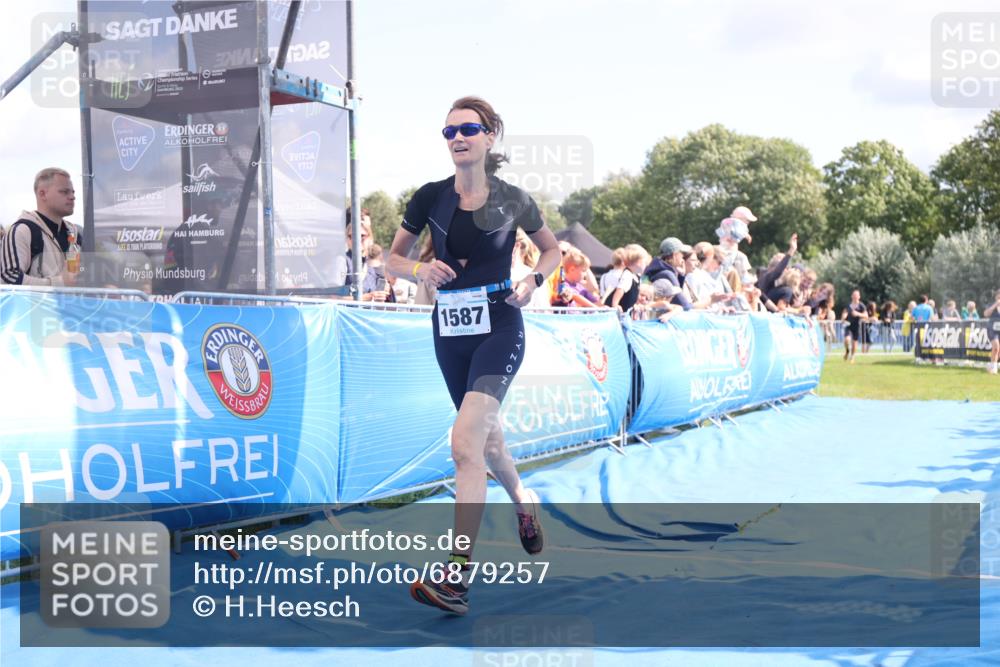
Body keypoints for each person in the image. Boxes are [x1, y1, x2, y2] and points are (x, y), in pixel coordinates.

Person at [386, 96, 561, 615]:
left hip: (499, 326)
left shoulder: (514, 199)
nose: (457, 138)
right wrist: (419, 270)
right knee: (488, 441)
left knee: (465, 443)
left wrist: (533, 280)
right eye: (449, 132)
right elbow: (390, 259)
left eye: (467, 129)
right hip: (450, 331)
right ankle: (524, 501)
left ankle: (457, 577)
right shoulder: (429, 197)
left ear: (489, 137)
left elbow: (552, 250)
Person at [1, 167, 81, 286]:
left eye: (73, 192)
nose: (72, 197)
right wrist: (59, 283)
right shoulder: (23, 231)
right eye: (64, 191)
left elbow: (84, 273)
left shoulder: (74, 233)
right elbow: (9, 278)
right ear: (42, 194)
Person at [645, 237, 694, 311]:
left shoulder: (656, 270)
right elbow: (685, 306)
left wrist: (681, 276)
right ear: (674, 255)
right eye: (681, 253)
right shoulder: (668, 274)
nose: (683, 256)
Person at [604, 243, 650, 314]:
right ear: (638, 262)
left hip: (625, 312)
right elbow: (620, 290)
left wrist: (635, 304)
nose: (646, 265)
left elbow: (632, 296)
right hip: (616, 313)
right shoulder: (627, 275)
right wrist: (615, 304)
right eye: (644, 262)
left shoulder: (636, 276)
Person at [841, 290, 867, 363]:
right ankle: (847, 351)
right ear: (851, 296)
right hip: (848, 324)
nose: (855, 297)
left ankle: (852, 357)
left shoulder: (861, 305)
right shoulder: (848, 305)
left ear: (859, 297)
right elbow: (844, 313)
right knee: (847, 340)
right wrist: (843, 317)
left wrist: (858, 314)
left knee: (854, 342)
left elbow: (866, 315)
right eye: (854, 295)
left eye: (856, 295)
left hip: (857, 325)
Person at [985, 289, 1000, 374]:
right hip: (992, 329)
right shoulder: (991, 304)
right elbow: (986, 314)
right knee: (996, 346)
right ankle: (994, 369)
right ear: (996, 296)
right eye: (998, 295)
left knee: (998, 350)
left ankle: (991, 366)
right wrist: (995, 305)